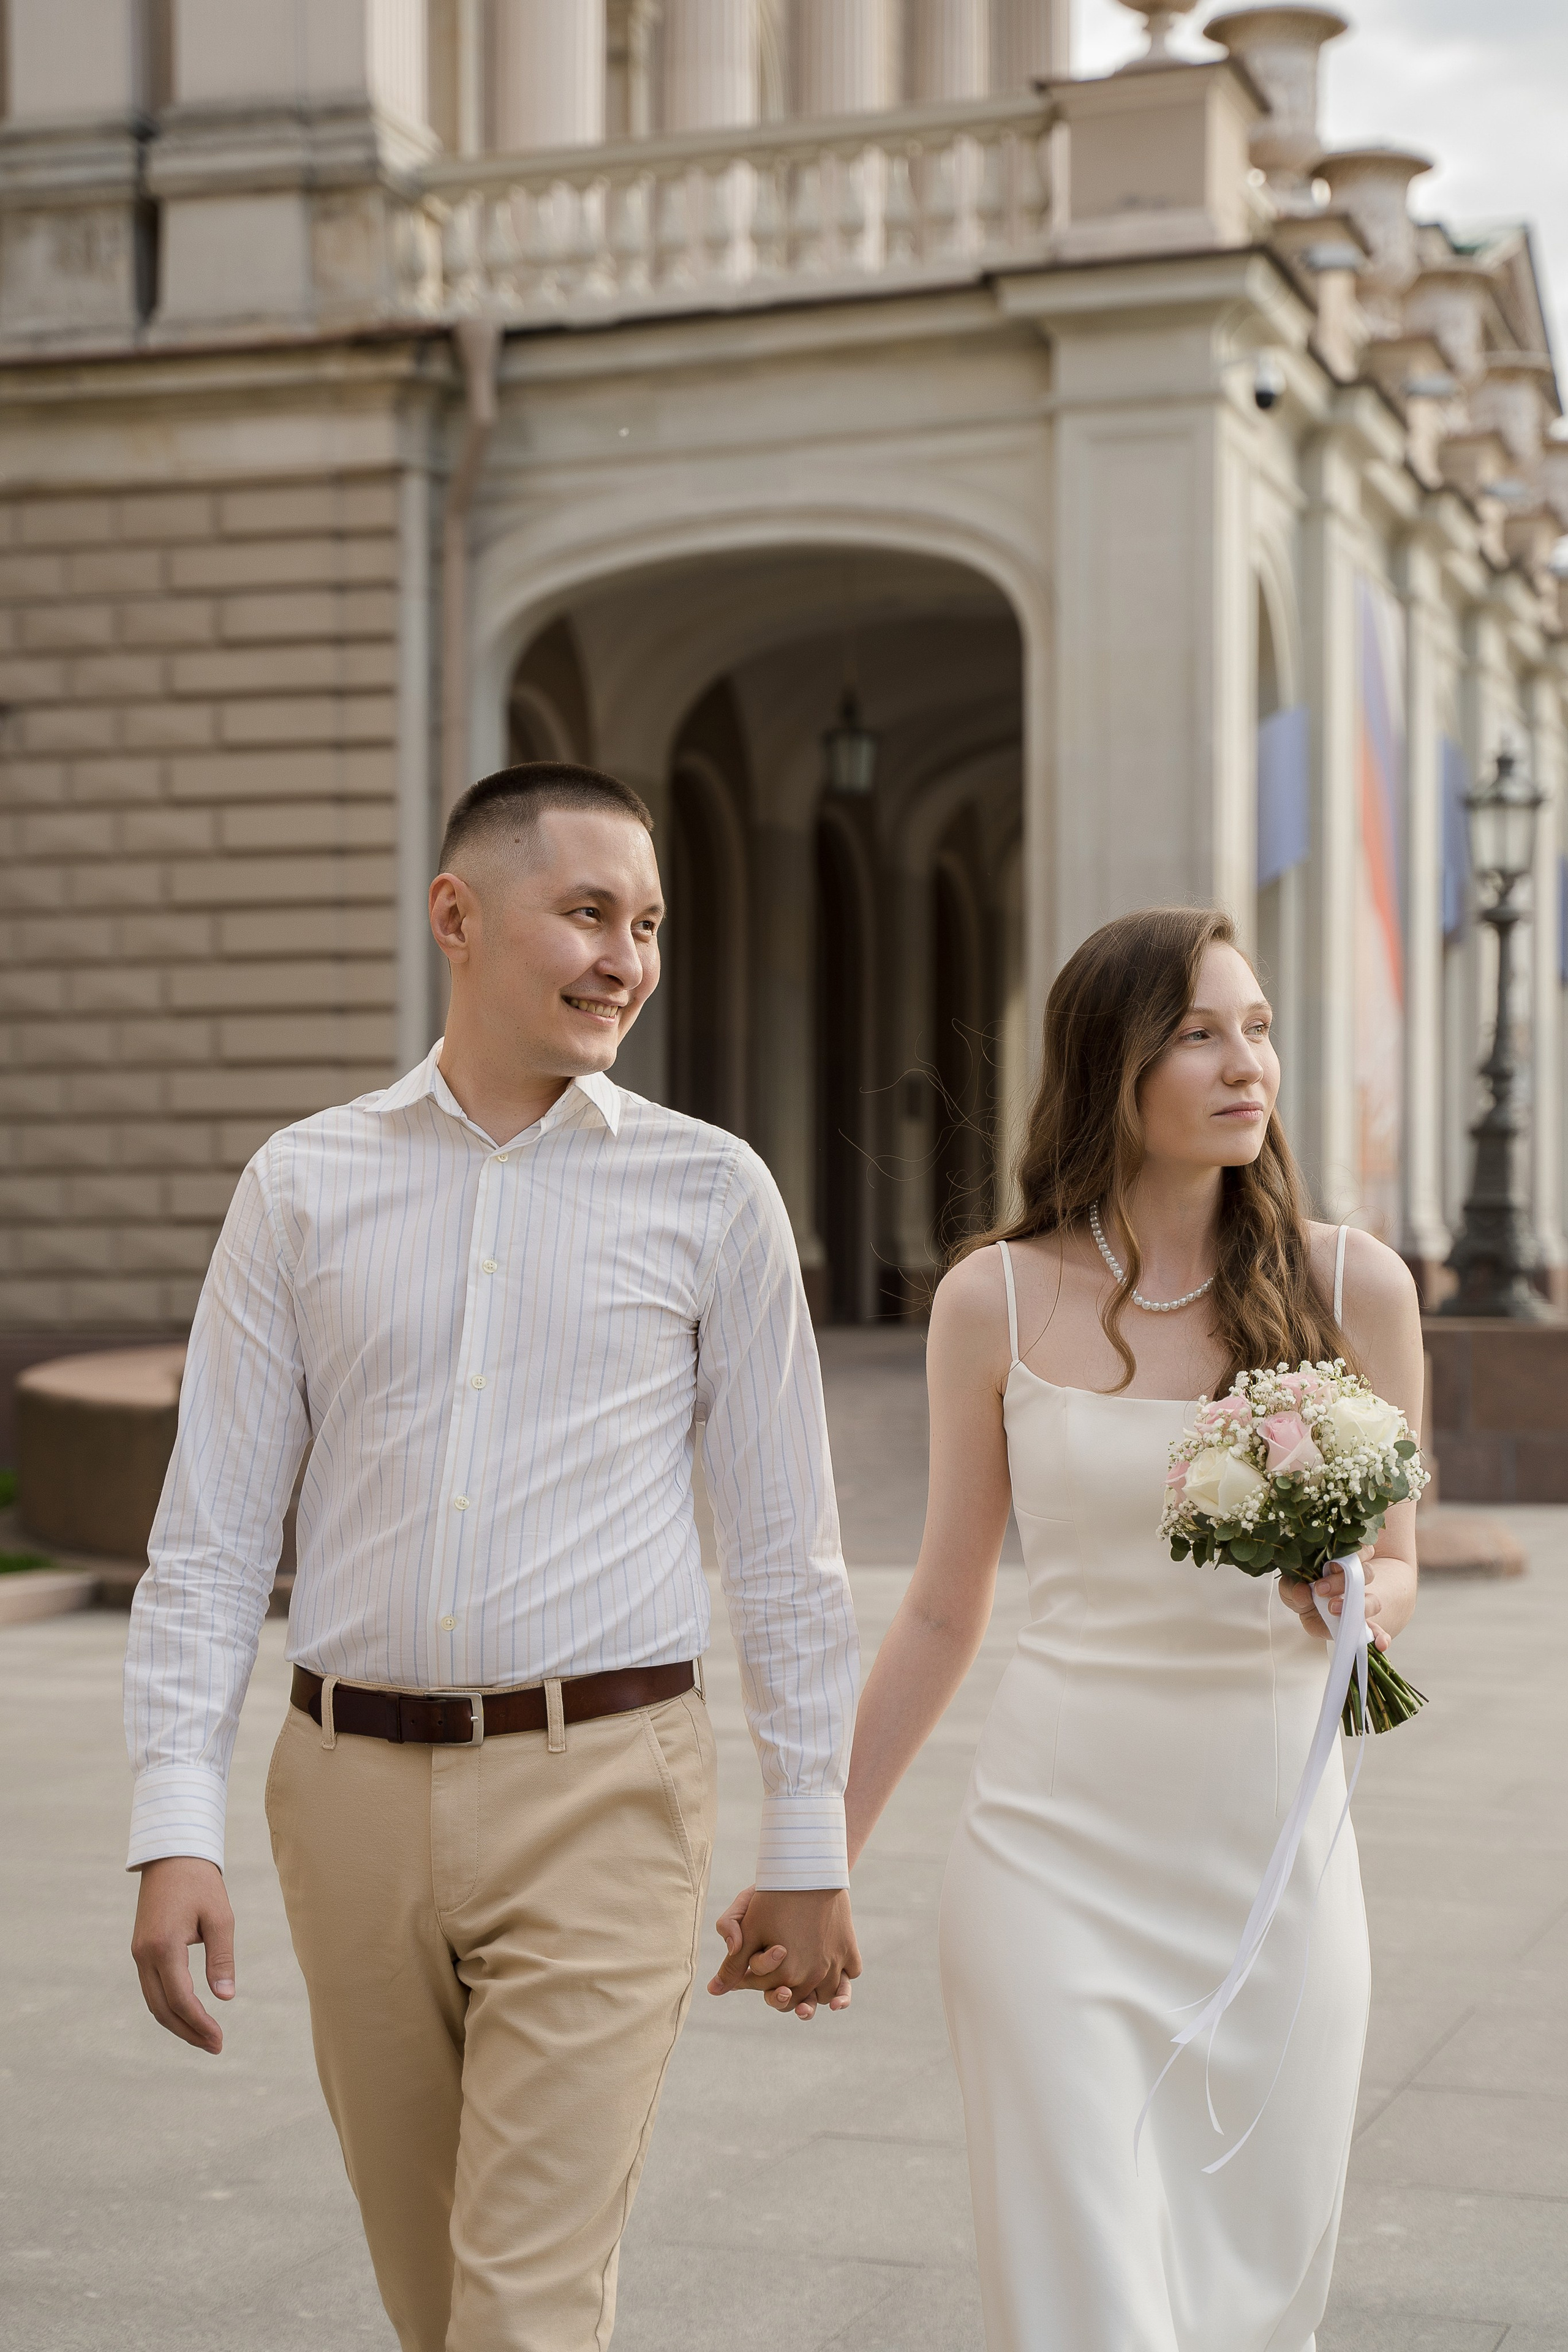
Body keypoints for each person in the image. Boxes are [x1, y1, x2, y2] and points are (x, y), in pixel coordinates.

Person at [125, 761, 862, 2352]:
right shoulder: (303, 1185)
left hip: (606, 1791)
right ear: (458, 915)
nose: (628, 959)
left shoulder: (711, 1191)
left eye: (649, 923)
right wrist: (172, 1823)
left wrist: (810, 1837)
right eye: (588, 910)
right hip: (345, 1797)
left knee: (522, 2310)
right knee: (432, 2294)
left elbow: (789, 1546)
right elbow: (210, 1536)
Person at [721, 905, 1422, 2348]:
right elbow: (936, 1606)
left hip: (1273, 1871)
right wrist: (813, 1856)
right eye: (1197, 1033)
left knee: (1249, 2301)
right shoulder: (991, 1297)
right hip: (1050, 1864)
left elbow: (1397, 1565)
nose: (1246, 1066)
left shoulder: (1354, 1287)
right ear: (1109, 1065)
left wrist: (1347, 1591)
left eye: (1258, 1028)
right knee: (1087, 2313)